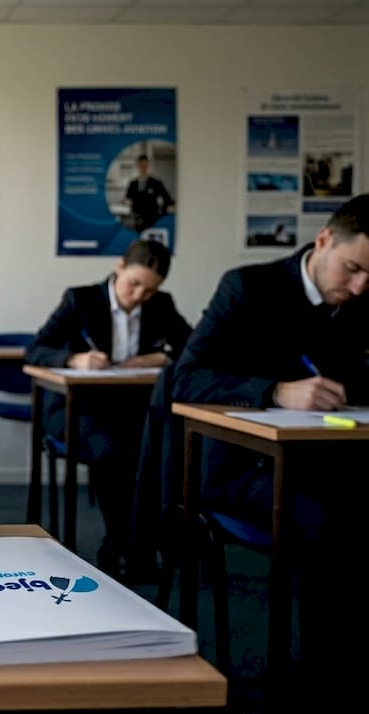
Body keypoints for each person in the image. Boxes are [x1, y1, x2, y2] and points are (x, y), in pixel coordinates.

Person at [170, 194, 369, 694]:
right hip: (245, 466)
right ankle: (324, 675)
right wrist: (273, 391)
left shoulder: (364, 300)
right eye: (352, 269)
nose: (360, 286)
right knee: (333, 523)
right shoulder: (248, 287)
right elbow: (186, 379)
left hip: (332, 459)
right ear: (323, 241)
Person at [25, 238, 192, 580]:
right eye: (134, 284)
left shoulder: (161, 304)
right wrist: (74, 358)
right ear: (119, 268)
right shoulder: (81, 299)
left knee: (161, 445)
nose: (139, 297)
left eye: (149, 290)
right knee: (113, 449)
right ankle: (120, 544)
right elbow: (36, 350)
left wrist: (166, 357)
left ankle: (141, 543)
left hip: (132, 409)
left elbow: (193, 349)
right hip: (78, 409)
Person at [124, 154, 175, 234]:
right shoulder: (133, 184)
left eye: (145, 166)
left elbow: (167, 198)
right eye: (141, 166)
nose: (143, 168)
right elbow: (127, 198)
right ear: (138, 166)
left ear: (149, 166)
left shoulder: (156, 183)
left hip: (152, 219)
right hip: (137, 219)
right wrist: (125, 202)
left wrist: (170, 207)